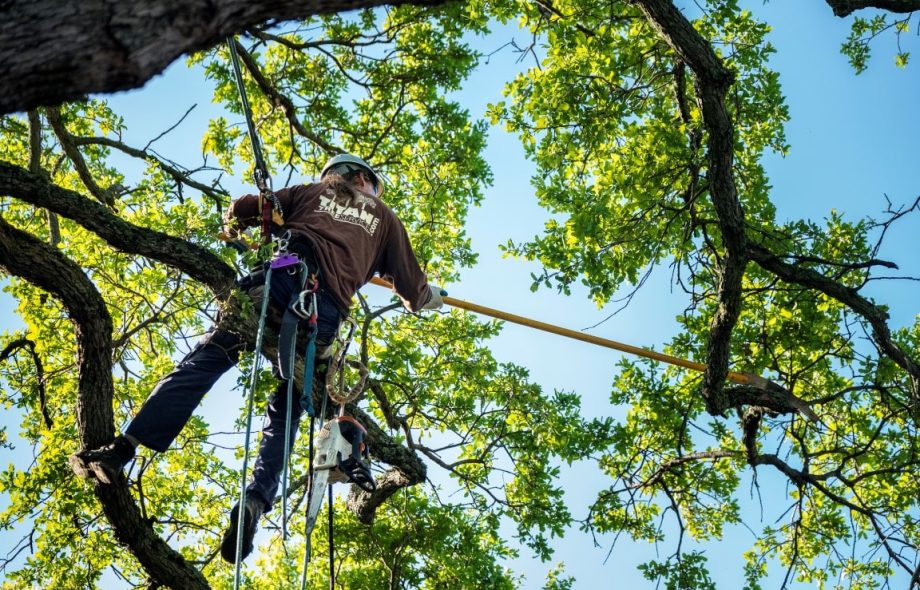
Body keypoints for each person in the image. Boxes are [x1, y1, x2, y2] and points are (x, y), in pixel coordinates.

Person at [69, 154, 443, 563]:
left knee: (205, 362)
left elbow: (245, 209)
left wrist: (238, 224)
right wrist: (430, 298)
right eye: (373, 185)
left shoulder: (309, 192)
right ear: (361, 178)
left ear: (335, 177)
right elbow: (413, 289)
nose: (373, 192)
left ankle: (123, 448)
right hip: (322, 318)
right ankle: (256, 500)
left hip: (280, 283)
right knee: (286, 412)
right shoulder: (384, 220)